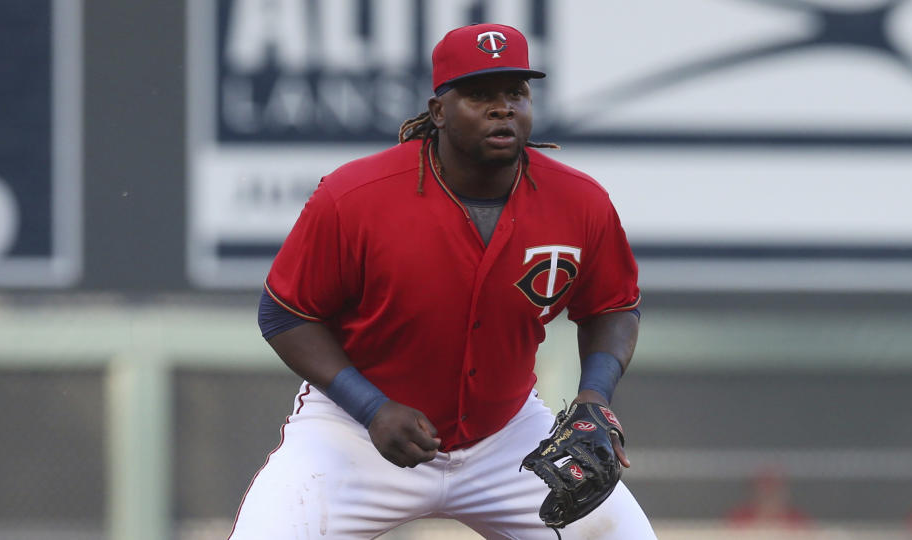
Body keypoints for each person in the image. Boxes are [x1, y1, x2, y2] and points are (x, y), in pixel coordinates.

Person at [228, 23, 656, 539]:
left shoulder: (579, 201)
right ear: (438, 112)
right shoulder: (355, 196)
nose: (503, 108)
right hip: (353, 432)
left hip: (507, 435)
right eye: (479, 95)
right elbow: (285, 313)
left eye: (515, 92)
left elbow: (612, 305)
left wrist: (594, 397)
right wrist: (370, 407)